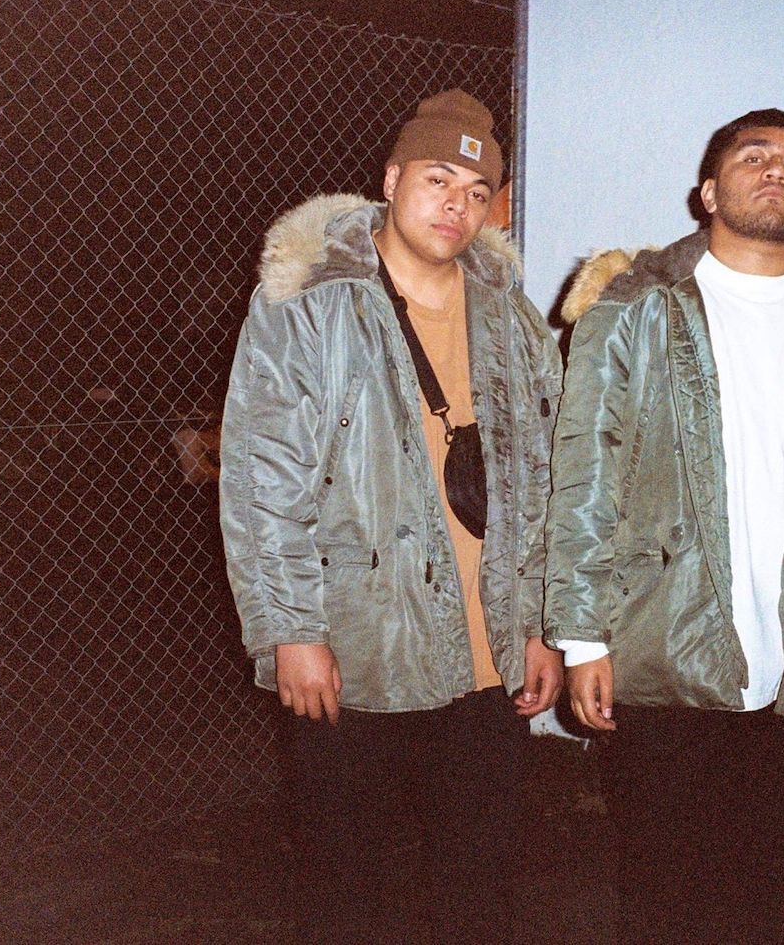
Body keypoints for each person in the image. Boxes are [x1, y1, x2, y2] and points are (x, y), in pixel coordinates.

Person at [544, 108, 784, 940]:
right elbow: (585, 475)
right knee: (664, 886)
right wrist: (581, 638)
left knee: (775, 883)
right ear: (709, 193)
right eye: (753, 157)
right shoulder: (634, 308)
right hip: (661, 640)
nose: (775, 170)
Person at [219, 88, 563, 942]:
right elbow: (265, 481)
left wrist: (540, 625)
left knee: (479, 886)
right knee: (350, 890)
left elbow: (543, 478)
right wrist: (291, 630)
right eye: (438, 179)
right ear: (390, 179)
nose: (457, 205)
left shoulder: (512, 318)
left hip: (489, 658)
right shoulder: (307, 304)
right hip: (358, 649)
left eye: (477, 192)